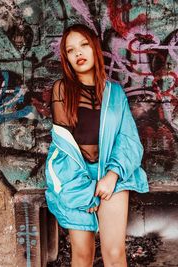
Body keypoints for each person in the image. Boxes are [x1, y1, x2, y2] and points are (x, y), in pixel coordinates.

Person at [45, 23, 149, 267]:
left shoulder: (115, 93)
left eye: (83, 45)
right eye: (71, 50)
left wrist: (112, 175)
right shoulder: (62, 90)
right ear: (67, 58)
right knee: (82, 256)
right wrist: (85, 189)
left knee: (114, 254)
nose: (78, 53)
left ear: (94, 48)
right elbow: (64, 148)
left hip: (113, 174)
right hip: (75, 179)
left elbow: (129, 140)